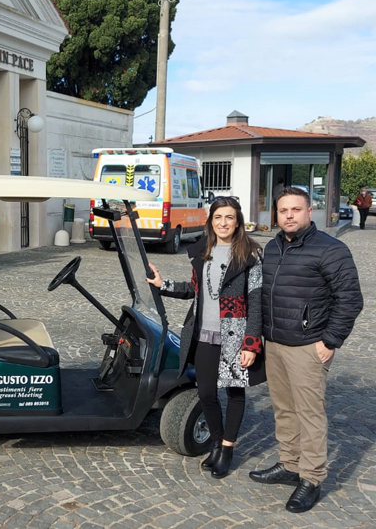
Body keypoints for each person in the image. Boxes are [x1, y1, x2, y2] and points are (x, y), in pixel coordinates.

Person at [250, 186, 362, 513]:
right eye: (283, 210)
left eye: (295, 210)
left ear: (308, 211)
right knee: (284, 410)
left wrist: (330, 341)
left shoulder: (330, 250)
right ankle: (289, 464)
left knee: (310, 415)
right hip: (275, 344)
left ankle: (311, 478)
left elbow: (350, 300)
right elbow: (261, 295)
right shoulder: (271, 248)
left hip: (308, 347)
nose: (288, 215)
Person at [148, 197, 265, 479]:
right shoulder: (202, 250)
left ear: (238, 221)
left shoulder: (250, 254)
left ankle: (227, 448)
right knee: (206, 392)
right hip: (203, 333)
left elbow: (257, 300)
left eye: (229, 217)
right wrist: (164, 285)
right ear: (211, 221)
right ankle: (215, 441)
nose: (223, 223)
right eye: (218, 218)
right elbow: (196, 290)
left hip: (235, 335)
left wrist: (251, 343)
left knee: (234, 393)